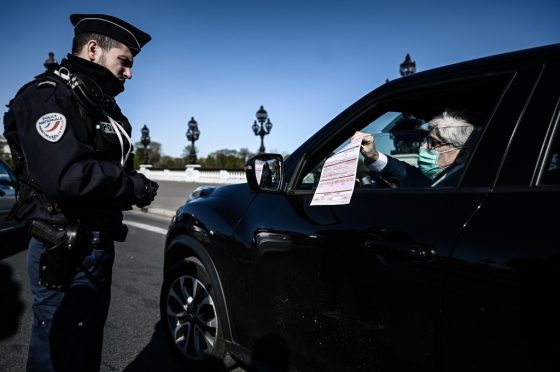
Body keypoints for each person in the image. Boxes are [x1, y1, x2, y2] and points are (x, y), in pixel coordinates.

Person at [3, 14, 158, 371]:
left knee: (85, 348)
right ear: (93, 49)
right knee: (57, 353)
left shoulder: (95, 102)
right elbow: (68, 175)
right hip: (65, 247)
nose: (129, 73)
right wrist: (135, 186)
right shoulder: (47, 97)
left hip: (96, 245)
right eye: (125, 61)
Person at [352, 110, 480, 188]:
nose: (423, 147)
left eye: (434, 142)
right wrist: (373, 155)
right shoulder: (442, 176)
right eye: (426, 140)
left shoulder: (460, 184)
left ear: (463, 153)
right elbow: (409, 175)